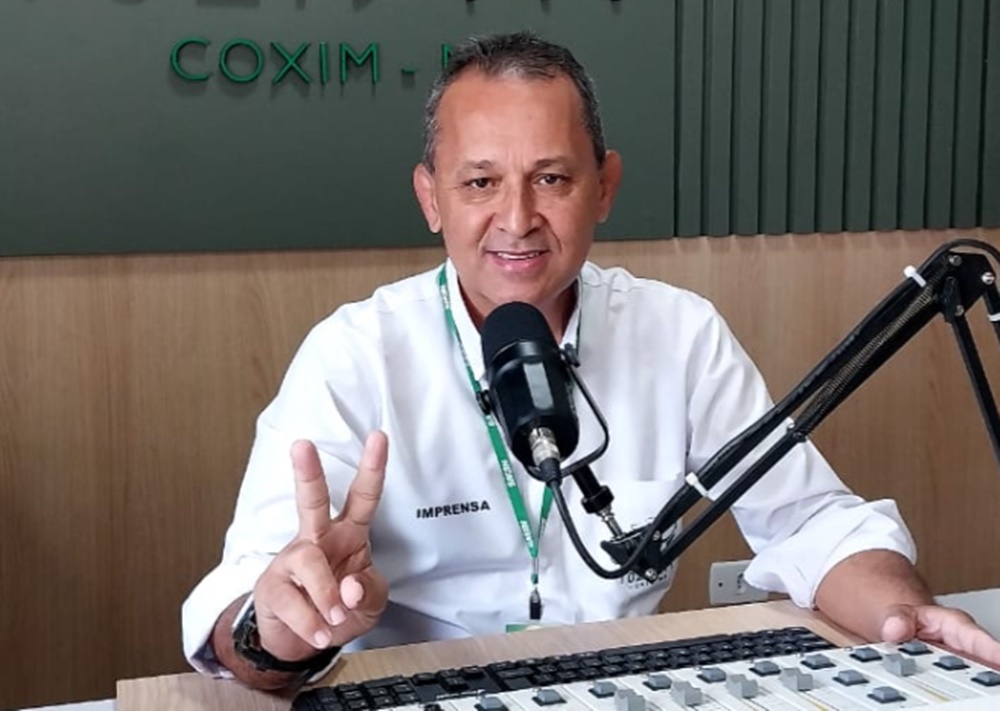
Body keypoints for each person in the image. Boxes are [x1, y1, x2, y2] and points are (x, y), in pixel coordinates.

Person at [182, 31, 1000, 691]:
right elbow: (244, 612)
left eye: (551, 177)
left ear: (604, 186)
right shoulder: (354, 354)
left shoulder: (679, 334)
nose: (517, 218)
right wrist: (280, 628)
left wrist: (905, 617)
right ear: (431, 197)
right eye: (479, 183)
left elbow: (811, 522)